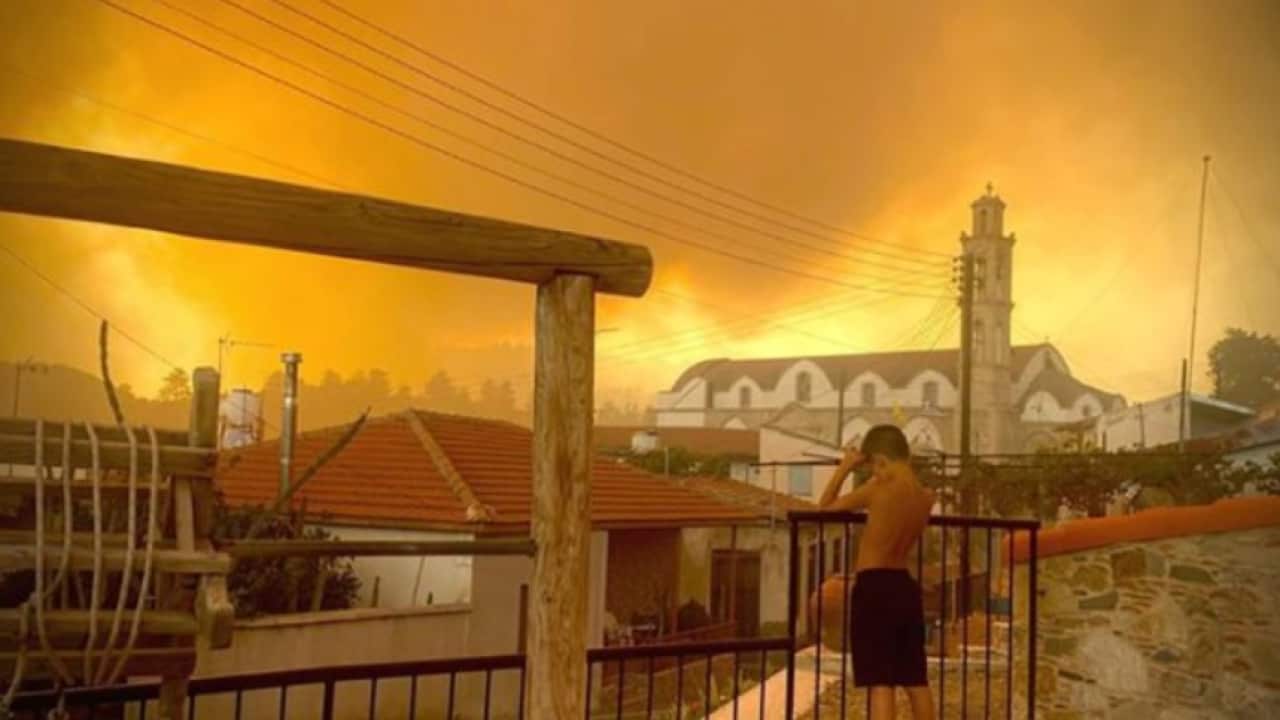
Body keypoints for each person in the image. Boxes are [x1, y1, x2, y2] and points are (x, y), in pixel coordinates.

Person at [818, 424, 935, 720]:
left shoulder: (880, 488)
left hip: (874, 587)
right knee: (915, 679)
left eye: (873, 466)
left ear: (881, 460)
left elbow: (824, 508)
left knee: (879, 682)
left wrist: (845, 467)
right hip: (904, 587)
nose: (873, 473)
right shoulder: (925, 496)